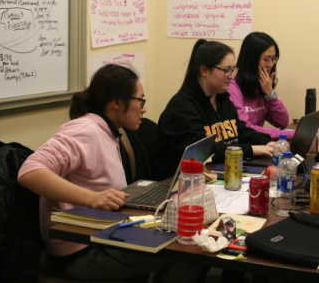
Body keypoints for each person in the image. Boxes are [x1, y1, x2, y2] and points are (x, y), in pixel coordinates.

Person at [17, 64, 202, 283]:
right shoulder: (84, 131)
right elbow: (30, 171)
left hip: (104, 234)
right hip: (81, 251)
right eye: (140, 101)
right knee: (191, 251)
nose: (143, 109)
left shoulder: (109, 132)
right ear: (116, 103)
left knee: (186, 237)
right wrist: (92, 198)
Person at [157, 39, 273, 180]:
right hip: (182, 183)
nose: (232, 76)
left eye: (233, 69)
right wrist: (253, 149)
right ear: (204, 70)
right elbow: (204, 152)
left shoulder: (222, 99)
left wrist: (266, 142)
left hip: (216, 174)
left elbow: (241, 130)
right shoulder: (182, 108)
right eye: (226, 70)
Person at [228, 32, 295, 140]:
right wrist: (291, 134)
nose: (271, 65)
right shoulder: (232, 87)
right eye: (266, 59)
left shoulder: (261, 86)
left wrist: (271, 95)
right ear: (251, 60)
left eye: (273, 59)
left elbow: (283, 123)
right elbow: (245, 129)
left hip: (258, 144)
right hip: (241, 149)